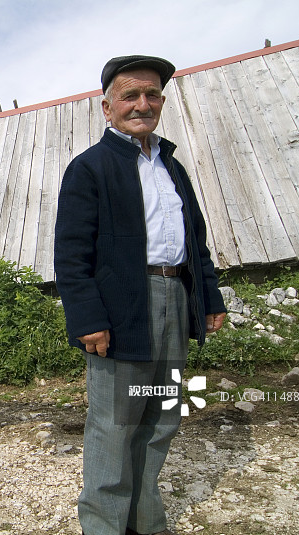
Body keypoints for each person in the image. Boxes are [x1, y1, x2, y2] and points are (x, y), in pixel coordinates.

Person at [54, 56, 227, 535]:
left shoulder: (172, 167)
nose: (142, 104)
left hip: (176, 296)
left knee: (163, 413)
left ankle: (145, 521)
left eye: (151, 95)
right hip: (123, 306)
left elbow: (196, 239)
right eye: (130, 96)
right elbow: (70, 254)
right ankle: (105, 526)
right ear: (107, 108)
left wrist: (208, 299)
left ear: (162, 103)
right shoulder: (89, 168)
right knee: (115, 423)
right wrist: (86, 316)